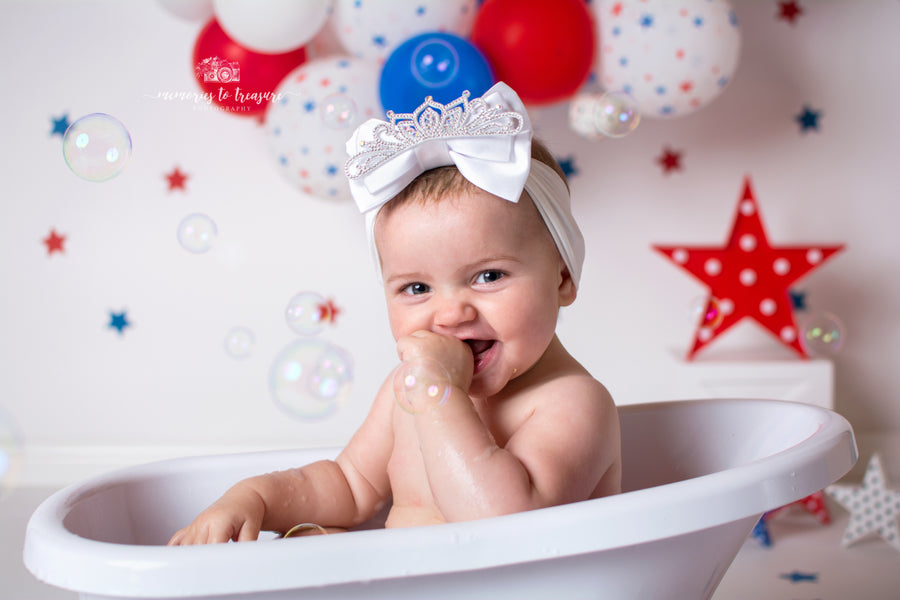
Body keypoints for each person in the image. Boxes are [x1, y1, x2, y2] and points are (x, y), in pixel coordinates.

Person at [168, 82, 620, 545]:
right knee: (311, 539)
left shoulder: (572, 403)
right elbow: (348, 486)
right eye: (417, 287)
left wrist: (437, 394)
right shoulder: (409, 388)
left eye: (488, 276)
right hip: (406, 583)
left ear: (562, 279)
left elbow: (502, 526)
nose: (451, 312)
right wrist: (253, 498)